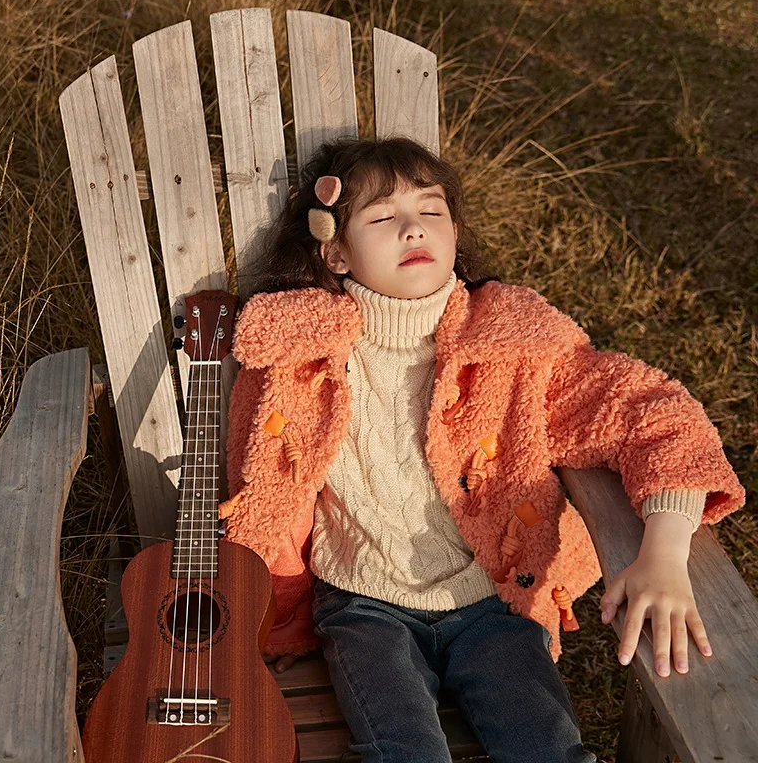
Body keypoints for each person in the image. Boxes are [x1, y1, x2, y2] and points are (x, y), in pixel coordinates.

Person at [218, 136, 745, 762]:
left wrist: (662, 551)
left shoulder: (512, 345)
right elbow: (257, 480)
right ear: (334, 251)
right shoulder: (295, 354)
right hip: (362, 603)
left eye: (431, 210)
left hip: (492, 599)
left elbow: (647, 411)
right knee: (403, 750)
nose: (413, 228)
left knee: (548, 749)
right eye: (384, 217)